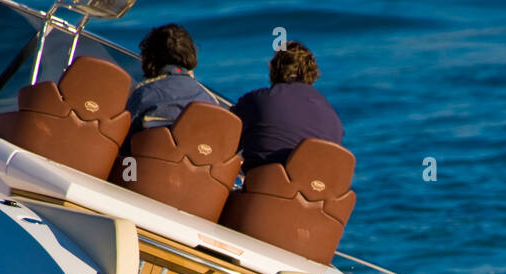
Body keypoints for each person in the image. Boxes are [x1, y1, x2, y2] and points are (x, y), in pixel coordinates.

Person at [230, 41, 344, 170]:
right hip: (315, 187)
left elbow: (223, 138)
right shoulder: (333, 119)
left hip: (264, 186)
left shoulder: (258, 100)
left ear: (274, 68)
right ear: (312, 72)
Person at [125, 24, 221, 138]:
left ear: (149, 57)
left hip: (143, 155)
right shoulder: (210, 101)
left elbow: (120, 141)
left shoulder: (143, 94)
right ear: (191, 53)